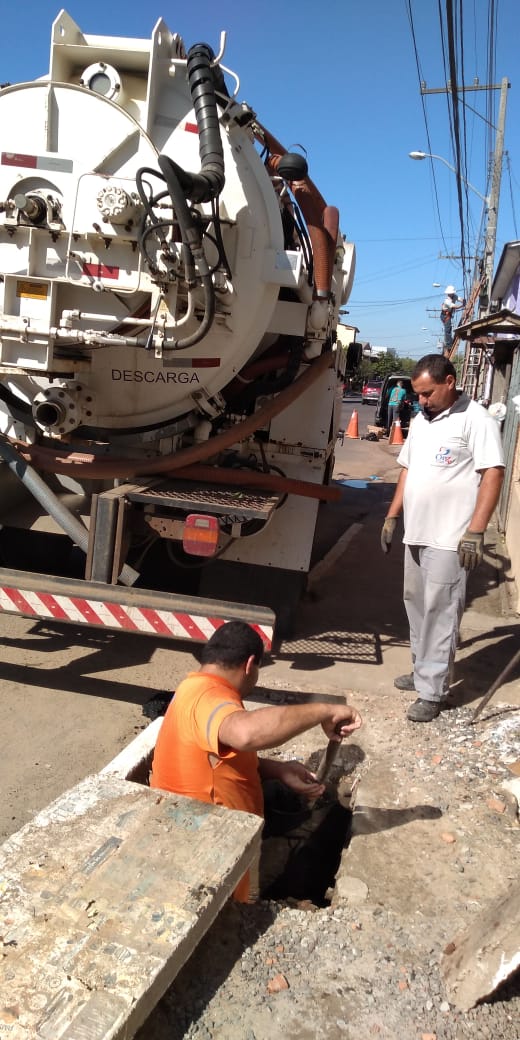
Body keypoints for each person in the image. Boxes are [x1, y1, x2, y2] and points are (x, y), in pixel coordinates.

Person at [150, 620, 362, 900]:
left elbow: (219, 754)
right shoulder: (210, 697)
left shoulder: (193, 687)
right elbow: (245, 733)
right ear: (250, 664)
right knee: (244, 905)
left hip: (186, 826)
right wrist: (325, 711)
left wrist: (278, 769)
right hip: (209, 851)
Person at [380, 354, 504, 723]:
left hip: (451, 537)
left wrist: (476, 531)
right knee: (416, 605)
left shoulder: (476, 420)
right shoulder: (420, 420)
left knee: (441, 611)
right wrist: (391, 516)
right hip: (416, 532)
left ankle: (432, 691)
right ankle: (423, 671)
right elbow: (407, 470)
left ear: (449, 382)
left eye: (427, 393)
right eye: (418, 394)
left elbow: (493, 474)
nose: (421, 400)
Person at [440, 285, 465, 350]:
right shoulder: (447, 301)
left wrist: (463, 300)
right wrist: (462, 306)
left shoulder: (454, 296)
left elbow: (459, 299)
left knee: (449, 329)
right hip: (445, 316)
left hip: (448, 315)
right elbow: (454, 306)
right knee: (447, 330)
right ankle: (448, 345)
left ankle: (449, 342)